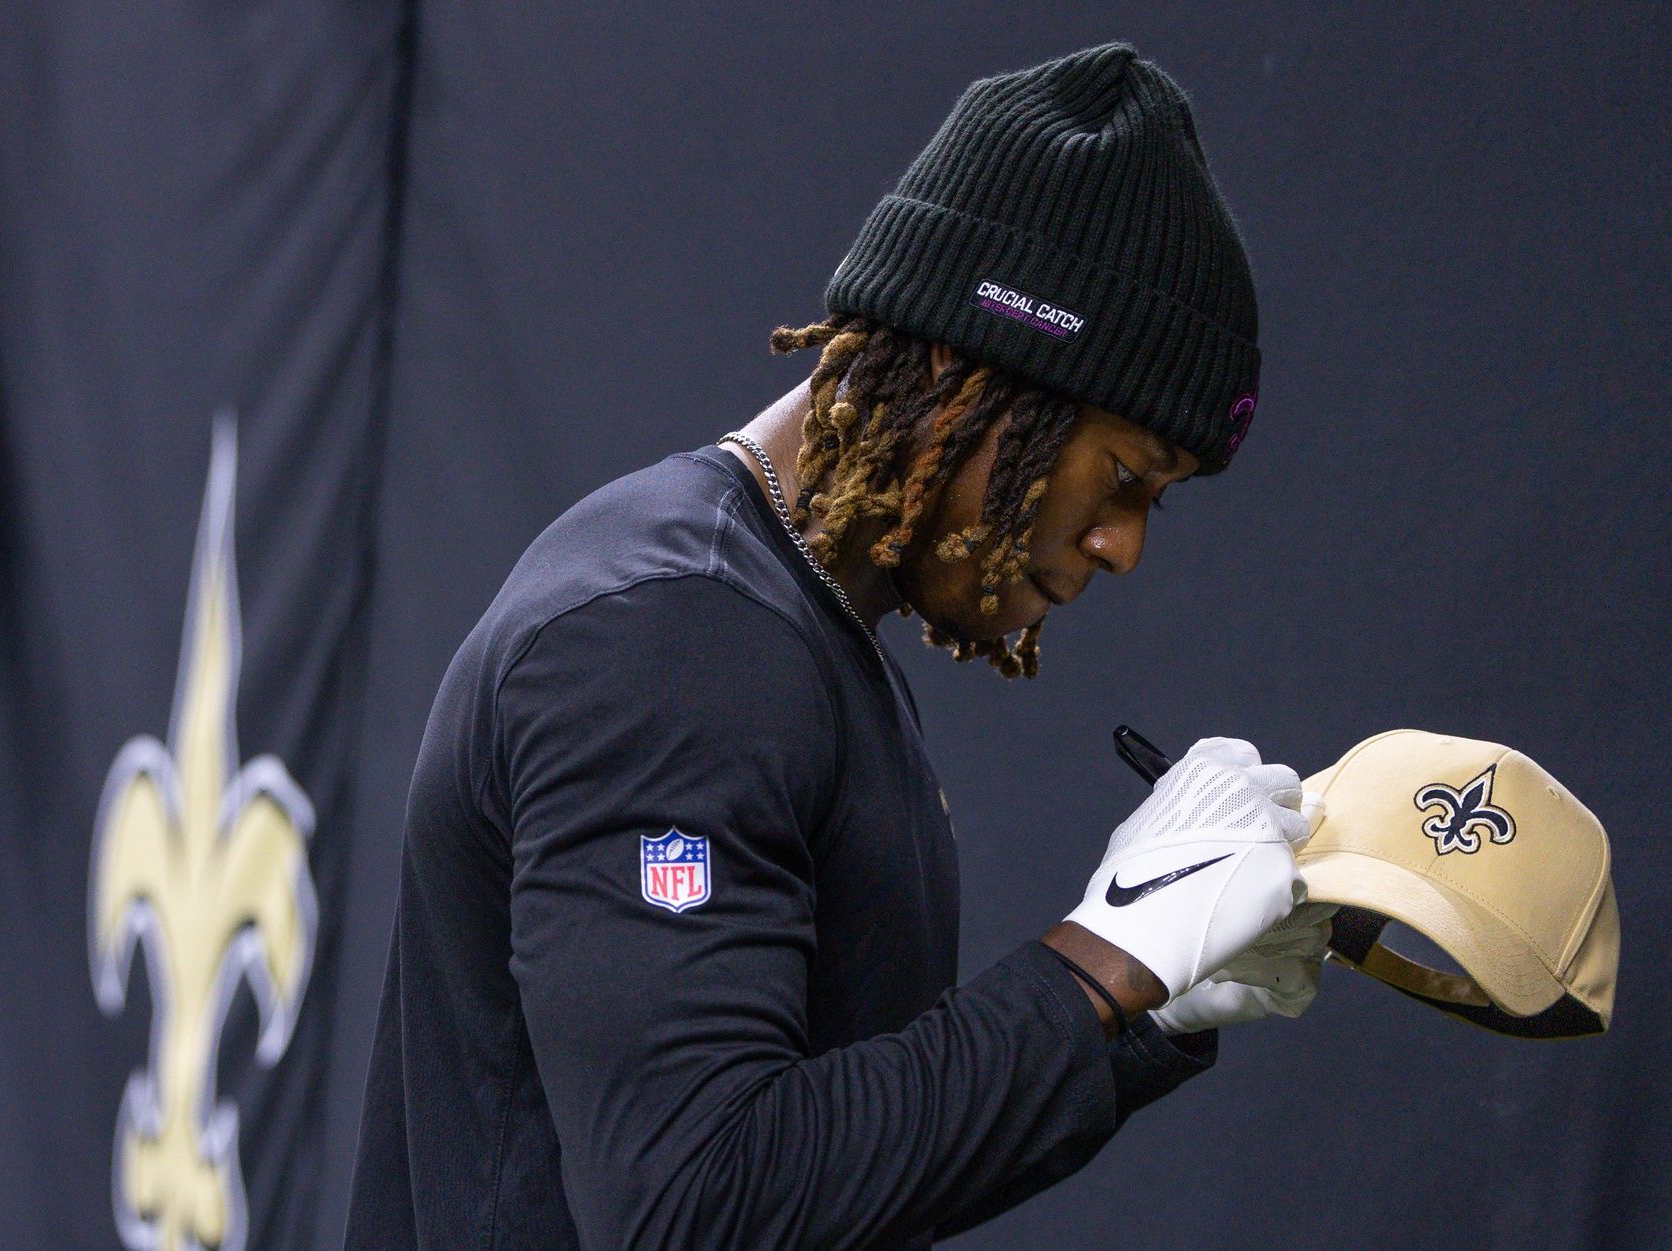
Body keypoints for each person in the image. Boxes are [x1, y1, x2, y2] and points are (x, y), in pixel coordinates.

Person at [344, 42, 1330, 1250]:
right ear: (957, 369)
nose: (1125, 545)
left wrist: (1138, 1018)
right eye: (1122, 476)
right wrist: (1103, 961)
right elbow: (693, 1207)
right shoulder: (672, 639)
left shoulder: (786, 632)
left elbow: (830, 1183)